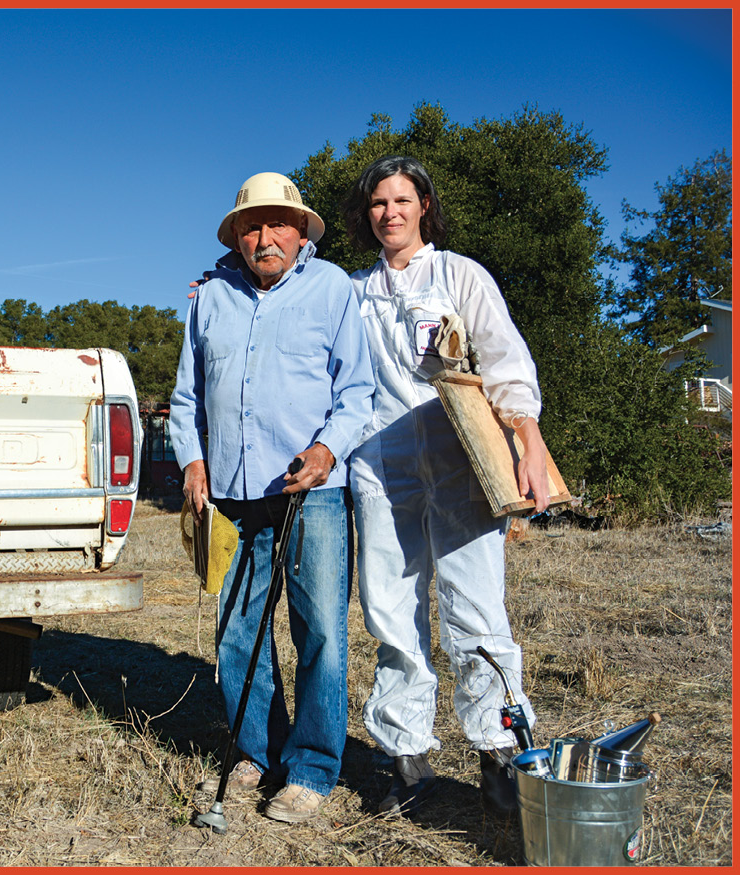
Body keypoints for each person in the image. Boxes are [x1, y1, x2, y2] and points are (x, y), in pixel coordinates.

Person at [340, 155, 552, 818]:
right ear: (367, 213)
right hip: (381, 466)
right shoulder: (353, 291)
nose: (390, 213)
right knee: (392, 614)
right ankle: (407, 763)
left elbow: (506, 360)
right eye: (379, 203)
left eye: (402, 200)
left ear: (424, 205)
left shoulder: (460, 275)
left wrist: (529, 444)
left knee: (478, 613)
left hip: (460, 463)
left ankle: (501, 758)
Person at [170, 172, 374, 823]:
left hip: (310, 490)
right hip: (231, 494)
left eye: (277, 223)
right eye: (252, 226)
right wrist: (192, 459)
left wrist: (326, 450)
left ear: (300, 230)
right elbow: (186, 398)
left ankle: (312, 768)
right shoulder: (209, 299)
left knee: (320, 635)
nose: (265, 237)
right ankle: (251, 751)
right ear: (237, 235)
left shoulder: (333, 288)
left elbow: (358, 391)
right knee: (238, 630)